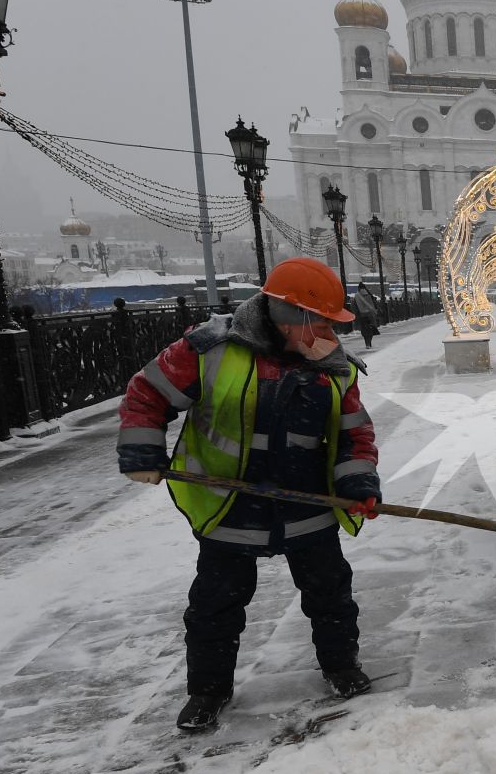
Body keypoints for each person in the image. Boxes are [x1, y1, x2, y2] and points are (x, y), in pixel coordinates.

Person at [117, 257, 383, 733]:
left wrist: (358, 484)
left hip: (308, 502)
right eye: (320, 319)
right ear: (290, 315)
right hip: (228, 501)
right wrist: (142, 452)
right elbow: (147, 393)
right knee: (217, 603)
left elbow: (354, 435)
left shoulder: (334, 366)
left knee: (329, 592)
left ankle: (341, 665)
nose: (327, 330)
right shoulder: (209, 349)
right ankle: (208, 690)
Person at [351, 284, 381, 349]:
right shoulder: (368, 295)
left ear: (358, 289)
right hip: (370, 315)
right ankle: (369, 342)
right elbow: (374, 304)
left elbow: (354, 306)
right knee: (371, 329)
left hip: (362, 315)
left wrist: (356, 314)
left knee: (364, 330)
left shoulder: (356, 296)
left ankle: (367, 343)